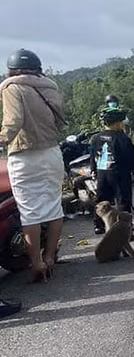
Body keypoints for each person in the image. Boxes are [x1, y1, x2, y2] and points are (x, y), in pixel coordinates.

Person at [0, 49, 66, 283]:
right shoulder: (50, 87)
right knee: (54, 207)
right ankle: (49, 257)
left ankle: (36, 264)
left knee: (30, 212)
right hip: (52, 153)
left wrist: (1, 139)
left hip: (25, 155)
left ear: (11, 70)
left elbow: (13, 121)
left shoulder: (11, 87)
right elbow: (59, 121)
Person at [89, 107, 134, 234]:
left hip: (102, 173)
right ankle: (124, 225)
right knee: (123, 199)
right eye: (122, 122)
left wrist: (93, 170)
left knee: (101, 200)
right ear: (117, 123)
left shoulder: (96, 138)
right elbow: (130, 156)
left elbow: (92, 155)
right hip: (119, 173)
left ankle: (98, 225)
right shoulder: (122, 138)